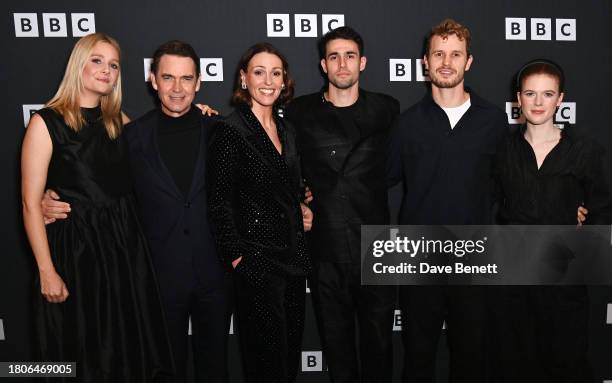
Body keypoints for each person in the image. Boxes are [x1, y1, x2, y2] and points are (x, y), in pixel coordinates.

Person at [41, 40, 232, 383]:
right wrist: (47, 197)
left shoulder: (220, 131)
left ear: (198, 83)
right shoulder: (130, 134)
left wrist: (301, 201)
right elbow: (93, 176)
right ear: (153, 80)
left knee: (215, 367)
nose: (177, 88)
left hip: (214, 274)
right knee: (162, 370)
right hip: (155, 277)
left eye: (186, 79)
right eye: (168, 77)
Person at [21, 32, 173, 382]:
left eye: (114, 64)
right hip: (75, 255)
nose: (107, 70)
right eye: (97, 60)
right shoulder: (47, 123)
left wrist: (201, 114)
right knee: (80, 349)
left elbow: (167, 143)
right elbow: (31, 204)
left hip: (123, 252)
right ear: (79, 64)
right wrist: (46, 270)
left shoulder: (121, 123)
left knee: (124, 351)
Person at [388, 19, 508, 382]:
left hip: (474, 257)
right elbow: (376, 179)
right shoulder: (406, 123)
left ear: (468, 62)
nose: (446, 61)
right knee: (418, 357)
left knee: (471, 357)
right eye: (438, 53)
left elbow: (513, 184)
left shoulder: (493, 120)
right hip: (419, 256)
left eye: (455, 54)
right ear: (425, 61)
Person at [285, 26, 399, 383]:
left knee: (379, 349)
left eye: (350, 55)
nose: (342, 63)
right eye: (334, 56)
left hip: (375, 249)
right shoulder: (299, 112)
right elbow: (276, 161)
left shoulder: (387, 109)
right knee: (338, 352)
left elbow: (402, 165)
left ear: (362, 62)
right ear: (323, 65)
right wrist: (297, 201)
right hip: (325, 249)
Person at [492, 59, 612, 383]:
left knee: (567, 363)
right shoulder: (501, 151)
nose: (538, 102)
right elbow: (488, 206)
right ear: (519, 98)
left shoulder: (585, 151)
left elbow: (602, 209)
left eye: (547, 94)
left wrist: (582, 238)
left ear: (560, 99)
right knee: (514, 365)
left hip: (564, 285)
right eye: (530, 94)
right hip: (513, 284)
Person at [206, 42, 313, 383]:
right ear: (243, 79)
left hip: (294, 263)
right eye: (258, 72)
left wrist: (304, 207)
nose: (268, 80)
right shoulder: (230, 130)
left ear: (284, 82)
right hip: (257, 265)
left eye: (275, 73)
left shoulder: (288, 131)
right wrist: (238, 258)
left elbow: (289, 189)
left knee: (288, 362)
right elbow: (218, 201)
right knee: (266, 366)